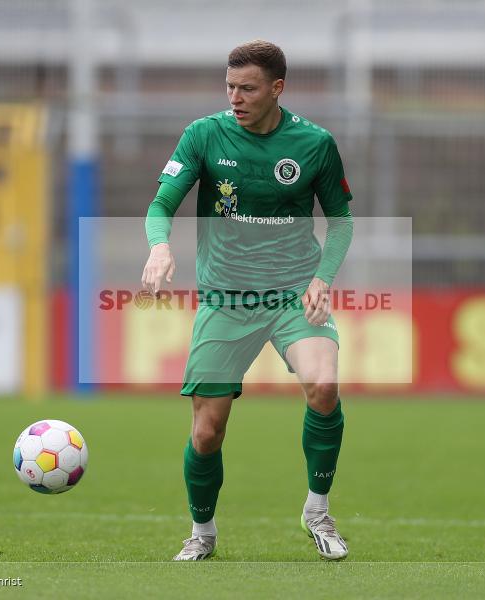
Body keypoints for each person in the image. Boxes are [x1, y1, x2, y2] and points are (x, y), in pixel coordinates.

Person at [141, 40, 354, 561]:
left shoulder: (314, 144)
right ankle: (203, 533)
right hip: (226, 297)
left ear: (277, 89)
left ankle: (318, 512)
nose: (235, 97)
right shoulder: (204, 135)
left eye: (248, 88)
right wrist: (159, 245)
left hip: (291, 293)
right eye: (230, 86)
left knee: (323, 386)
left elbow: (342, 220)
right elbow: (161, 201)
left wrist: (323, 277)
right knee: (207, 430)